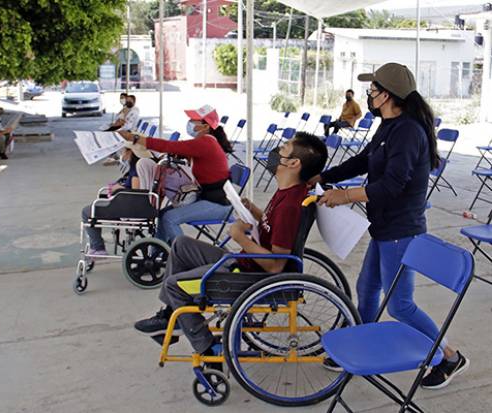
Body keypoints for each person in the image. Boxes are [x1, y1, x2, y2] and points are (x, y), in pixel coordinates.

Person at [310, 63, 468, 389]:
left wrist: (346, 195)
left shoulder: (409, 131)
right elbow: (363, 160)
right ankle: (358, 345)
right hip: (383, 226)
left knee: (400, 305)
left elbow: (393, 185)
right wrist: (323, 177)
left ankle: (450, 356)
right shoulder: (388, 125)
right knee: (367, 291)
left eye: (372, 90)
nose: (369, 95)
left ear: (387, 94)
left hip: (401, 230)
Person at [134, 133, 328, 358]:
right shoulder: (287, 192)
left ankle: (208, 346)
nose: (276, 153)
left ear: (293, 164)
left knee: (173, 285)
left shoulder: (289, 206)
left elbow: (275, 266)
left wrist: (240, 237)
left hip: (249, 274)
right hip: (245, 262)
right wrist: (253, 210)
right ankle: (172, 315)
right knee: (180, 245)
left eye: (283, 149)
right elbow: (272, 227)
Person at [119, 105, 233, 243]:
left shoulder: (206, 143)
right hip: (208, 198)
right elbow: (179, 148)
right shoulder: (206, 142)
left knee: (170, 218)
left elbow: (169, 146)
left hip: (217, 204)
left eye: (194, 120)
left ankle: (184, 254)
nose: (190, 123)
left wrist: (136, 139)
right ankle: (158, 251)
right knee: (163, 214)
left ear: (205, 126)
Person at [81, 142, 153, 257]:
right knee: (96, 206)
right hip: (133, 206)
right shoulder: (141, 165)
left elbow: (136, 193)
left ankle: (97, 247)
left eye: (123, 151)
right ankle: (97, 246)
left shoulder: (136, 169)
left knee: (87, 212)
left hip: (130, 209)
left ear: (130, 152)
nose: (121, 154)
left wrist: (120, 188)